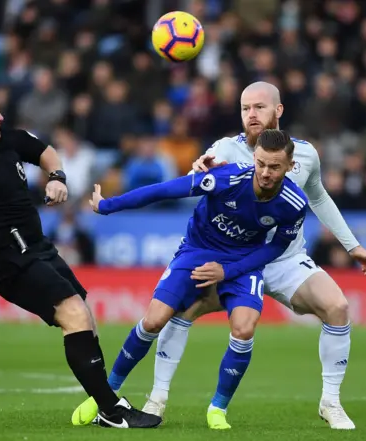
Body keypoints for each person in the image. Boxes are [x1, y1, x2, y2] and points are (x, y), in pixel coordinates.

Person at [141, 82, 366, 430]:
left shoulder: (306, 154)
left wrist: (352, 245)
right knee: (180, 311)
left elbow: (319, 198)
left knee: (338, 307)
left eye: (259, 107)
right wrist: (198, 168)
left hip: (284, 259)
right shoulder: (225, 148)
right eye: (244, 109)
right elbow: (196, 179)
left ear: (278, 111)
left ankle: (331, 402)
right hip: (232, 260)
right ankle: (157, 399)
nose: (251, 115)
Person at [0, 86, 161, 429]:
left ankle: (107, 405)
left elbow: (48, 152)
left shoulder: (8, 139)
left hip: (38, 247)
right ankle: (112, 410)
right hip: (7, 261)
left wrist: (57, 178)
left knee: (84, 318)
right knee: (73, 313)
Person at [72, 129, 307, 429]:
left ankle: (217, 409)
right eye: (260, 163)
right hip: (197, 251)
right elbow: (165, 190)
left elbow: (276, 246)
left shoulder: (294, 202)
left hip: (242, 263)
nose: (264, 172)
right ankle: (106, 393)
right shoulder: (227, 179)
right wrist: (107, 206)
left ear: (290, 166)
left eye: (274, 166)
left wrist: (228, 272)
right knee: (154, 321)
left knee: (245, 328)